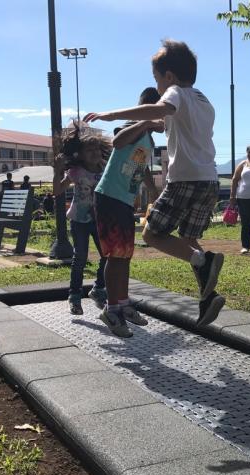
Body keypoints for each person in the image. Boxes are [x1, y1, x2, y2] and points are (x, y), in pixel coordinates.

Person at [84, 39, 225, 327]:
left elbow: (161, 109)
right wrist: (161, 125)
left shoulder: (175, 93)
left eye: (157, 80)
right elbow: (175, 123)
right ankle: (208, 295)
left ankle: (204, 262)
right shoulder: (203, 100)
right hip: (209, 182)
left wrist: (111, 115)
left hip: (184, 180)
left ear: (169, 77)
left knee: (151, 234)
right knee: (188, 241)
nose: (159, 86)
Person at [92, 87, 163, 337]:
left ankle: (122, 302)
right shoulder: (133, 128)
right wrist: (146, 121)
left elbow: (140, 165)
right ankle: (111, 309)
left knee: (125, 254)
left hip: (123, 200)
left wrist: (152, 191)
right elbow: (118, 141)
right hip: (109, 196)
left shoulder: (148, 138)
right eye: (162, 112)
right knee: (114, 254)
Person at [58, 130, 109, 315]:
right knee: (80, 257)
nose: (94, 152)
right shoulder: (76, 172)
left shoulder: (105, 167)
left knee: (107, 255)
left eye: (96, 148)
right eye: (89, 149)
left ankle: (98, 288)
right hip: (80, 220)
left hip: (100, 219)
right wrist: (58, 170)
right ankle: (74, 296)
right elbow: (57, 190)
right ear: (80, 154)